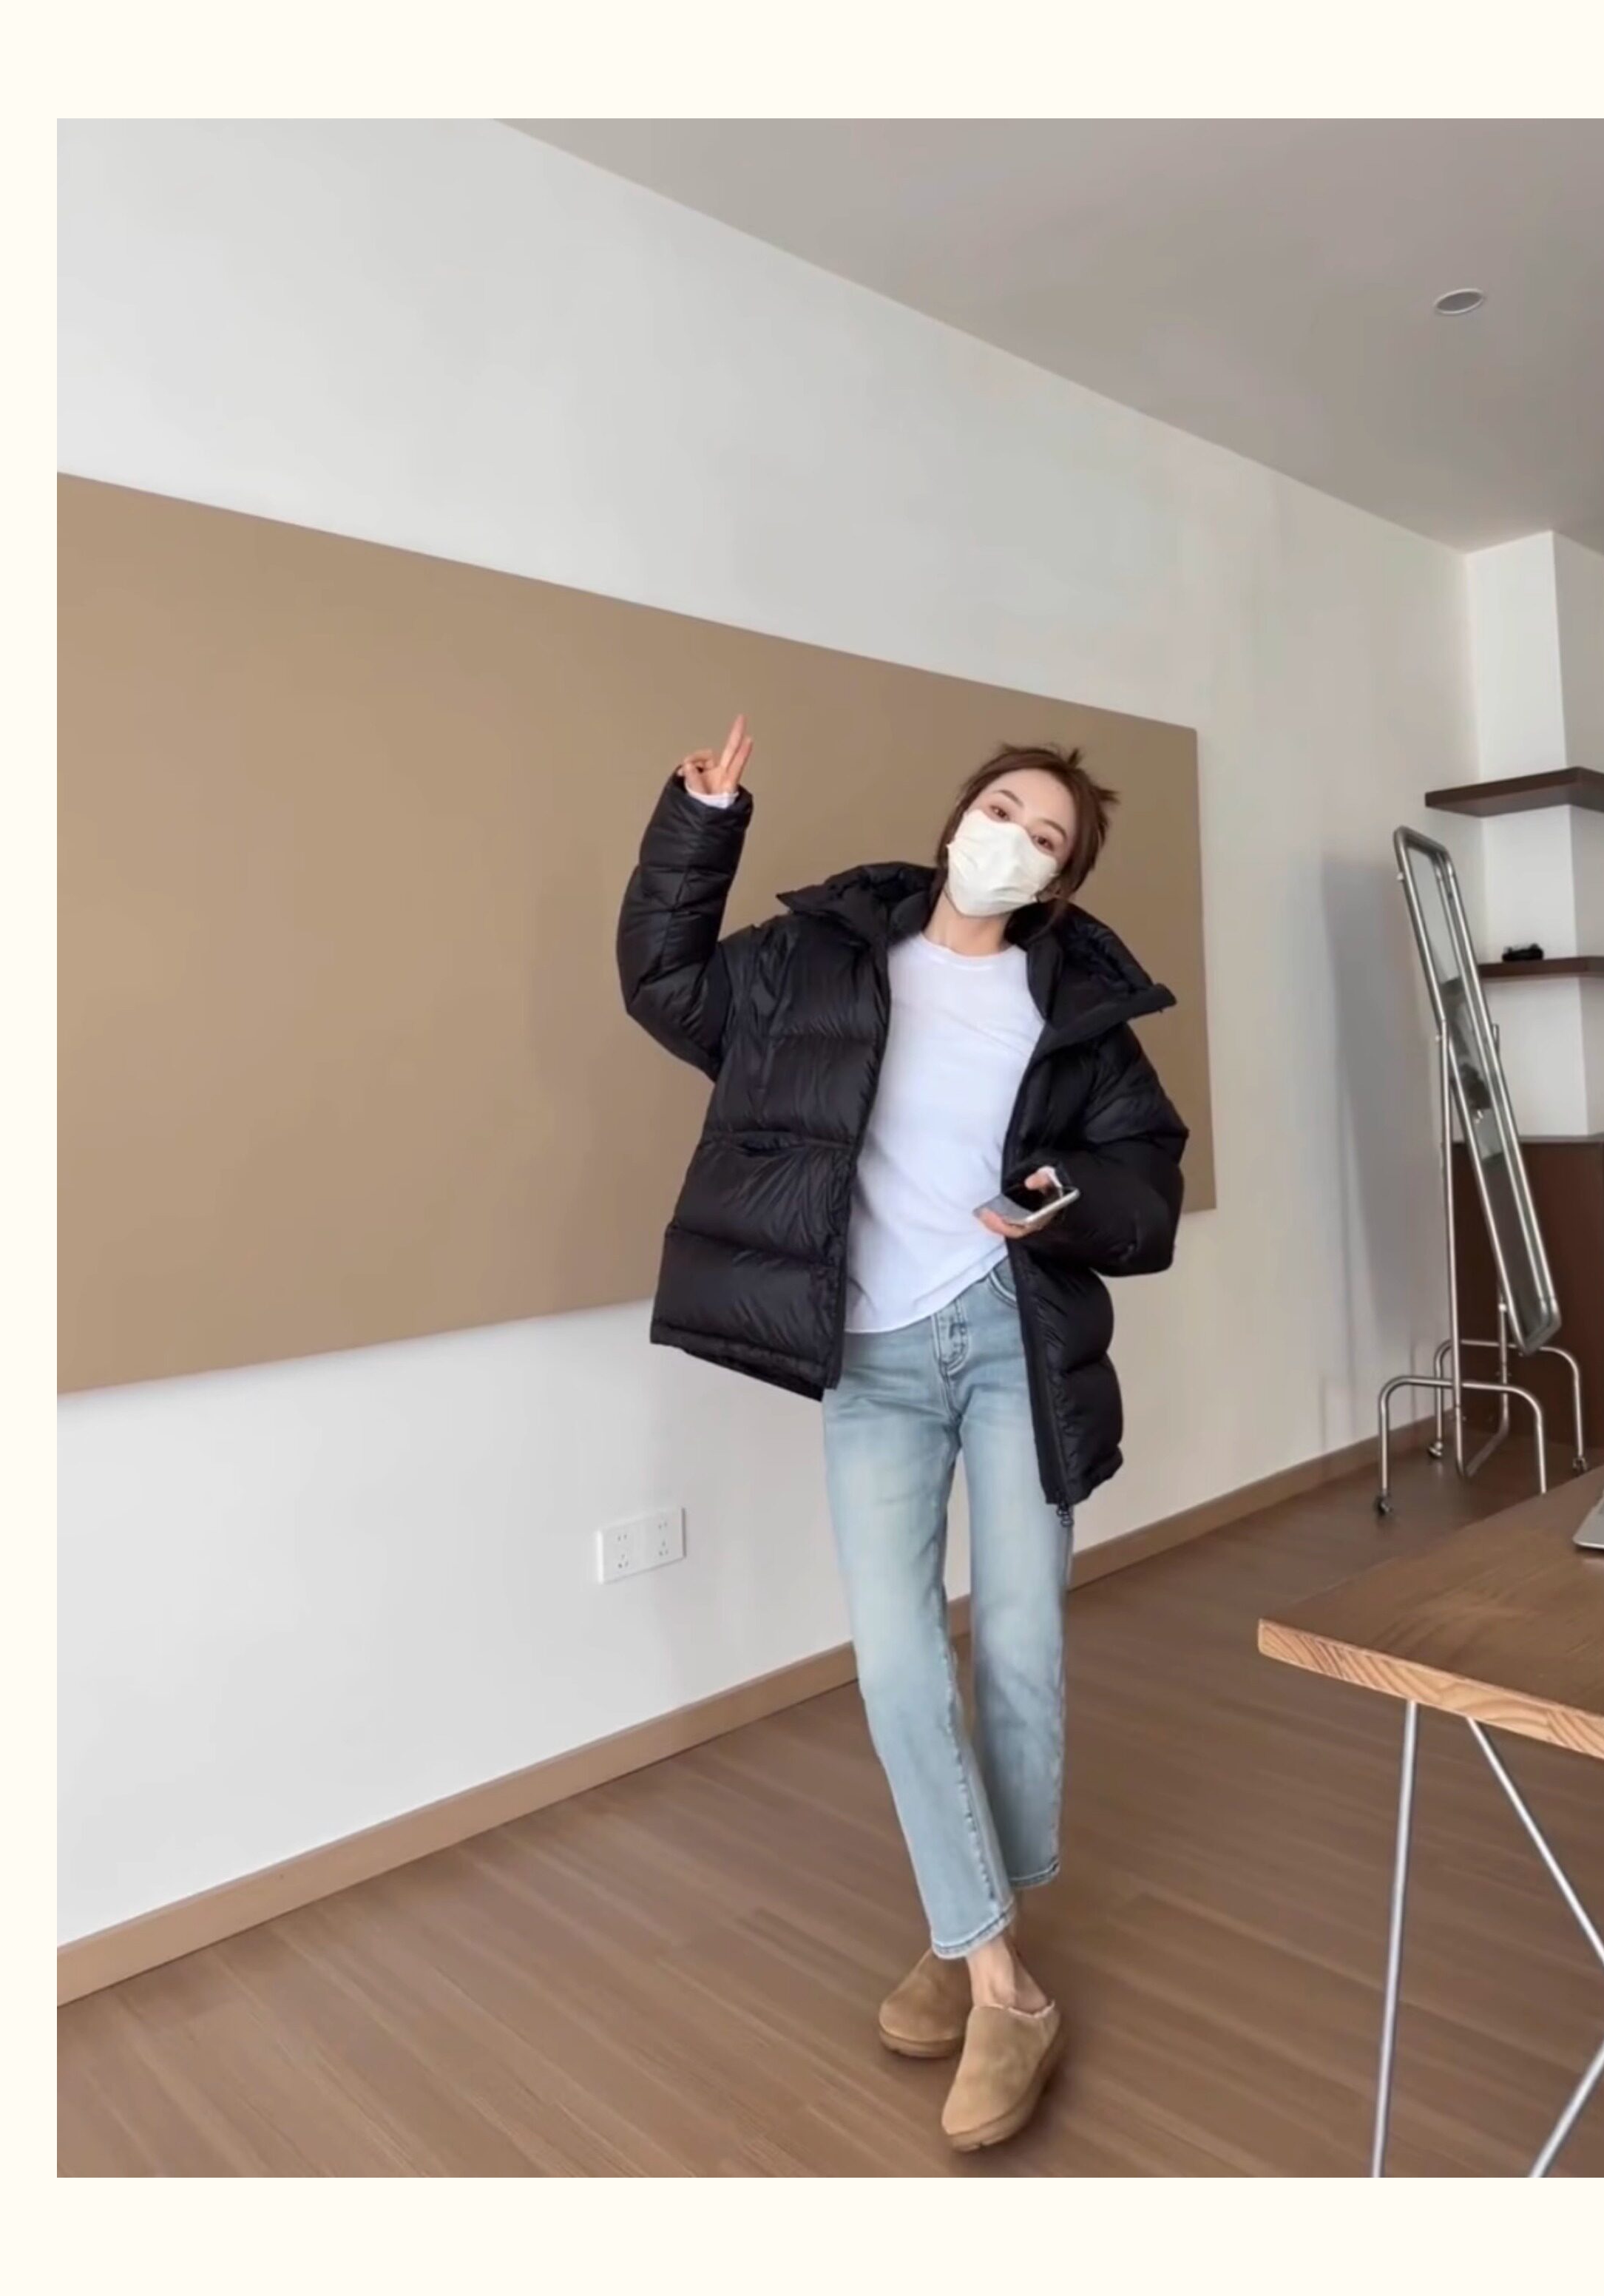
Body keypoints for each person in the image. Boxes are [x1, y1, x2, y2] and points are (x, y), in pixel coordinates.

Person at [617, 715, 1188, 2150]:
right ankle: (1004, 1984)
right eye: (1002, 809)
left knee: (1020, 1649)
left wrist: (1062, 1194)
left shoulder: (1073, 1010)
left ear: (1059, 881)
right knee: (893, 1665)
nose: (1013, 840)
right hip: (871, 1357)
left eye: (1045, 838)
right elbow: (664, 983)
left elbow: (1146, 1176)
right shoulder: (818, 960)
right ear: (957, 818)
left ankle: (965, 1939)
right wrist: (701, 826)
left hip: (1006, 1339)